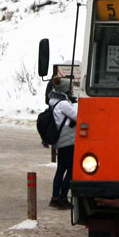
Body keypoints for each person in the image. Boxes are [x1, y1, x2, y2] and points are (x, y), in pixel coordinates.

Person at [47, 77, 77, 209]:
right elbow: (77, 115)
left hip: (60, 141)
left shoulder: (53, 102)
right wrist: (75, 103)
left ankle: (55, 197)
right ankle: (63, 197)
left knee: (60, 170)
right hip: (68, 141)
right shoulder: (64, 104)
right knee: (71, 170)